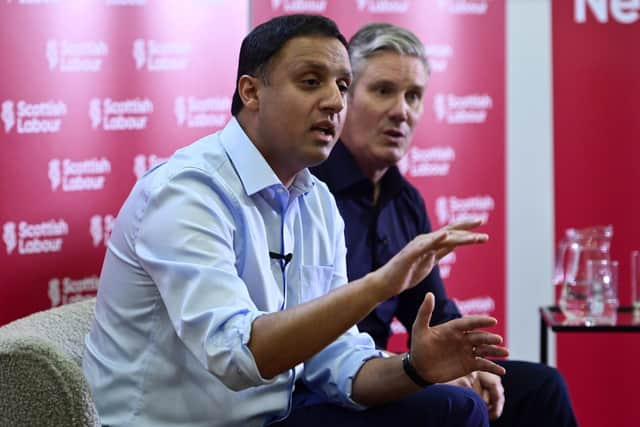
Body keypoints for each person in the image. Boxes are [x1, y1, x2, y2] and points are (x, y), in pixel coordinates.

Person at [83, 14, 509, 427]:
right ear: (251, 92)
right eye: (311, 82)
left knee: (459, 400)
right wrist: (381, 284)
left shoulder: (316, 201)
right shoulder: (186, 192)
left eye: (343, 85)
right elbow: (239, 357)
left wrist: (415, 368)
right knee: (455, 410)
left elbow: (338, 363)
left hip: (279, 414)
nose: (334, 101)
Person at [311, 22, 578, 427]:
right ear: (344, 97)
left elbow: (433, 311)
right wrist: (416, 368)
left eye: (413, 96)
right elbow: (308, 337)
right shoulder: (309, 191)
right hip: (331, 382)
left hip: (391, 375)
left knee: (541, 387)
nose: (401, 110)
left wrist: (474, 364)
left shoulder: (405, 200)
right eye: (383, 90)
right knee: (455, 406)